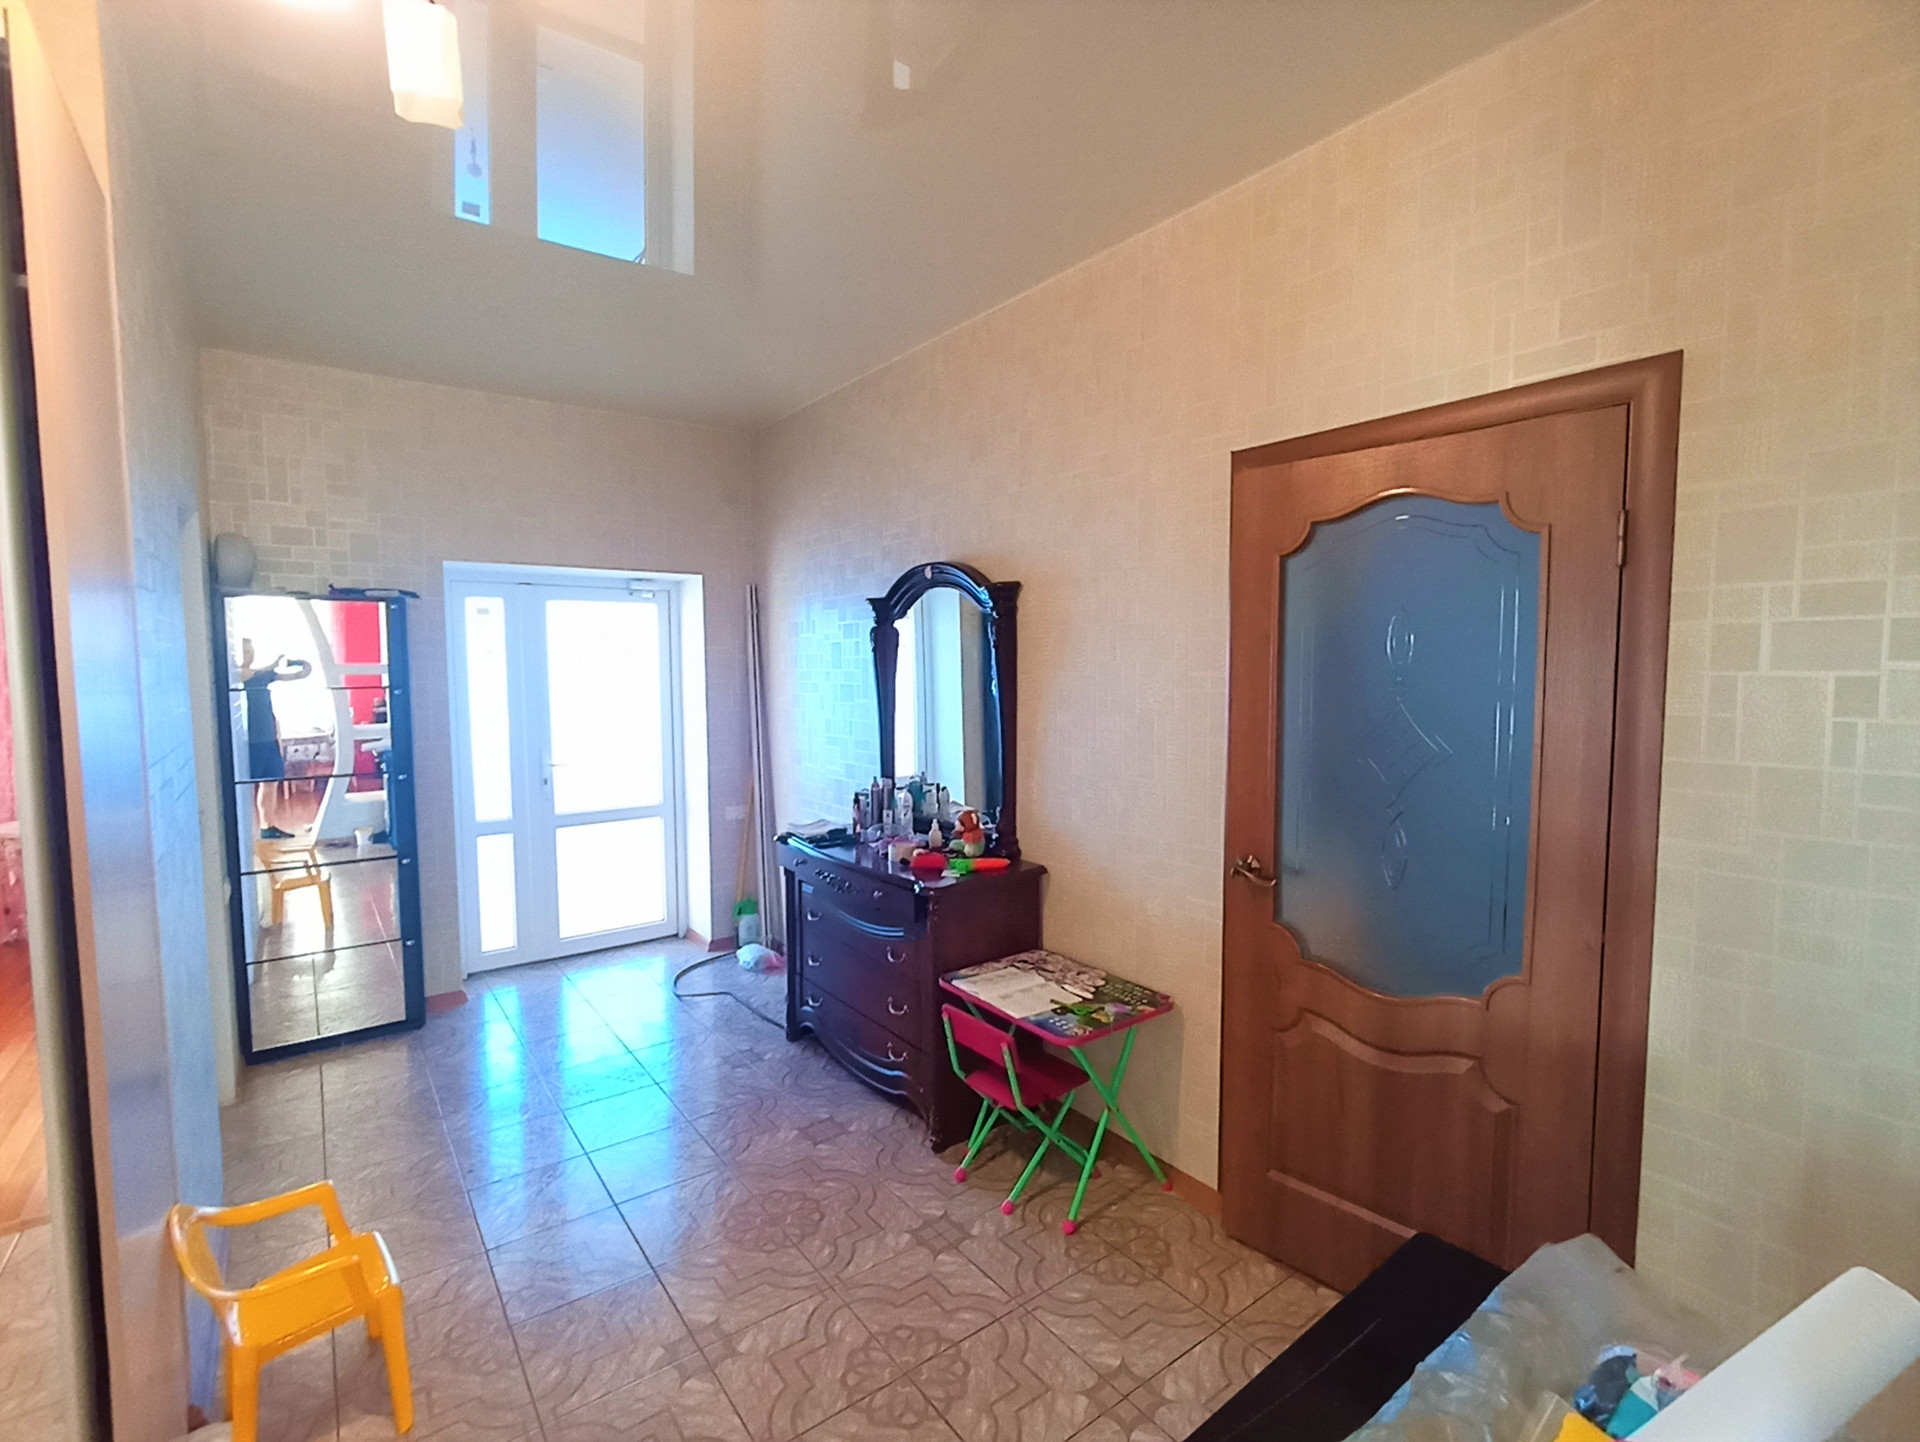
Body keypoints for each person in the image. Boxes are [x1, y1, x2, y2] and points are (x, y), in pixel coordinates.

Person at [238, 638, 312, 840]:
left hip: (268, 739)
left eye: (250, 649)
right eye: (245, 650)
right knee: (245, 788)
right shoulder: (237, 675)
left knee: (270, 783)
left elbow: (302, 674)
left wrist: (300, 663)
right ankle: (245, 832)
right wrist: (272, 664)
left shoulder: (262, 676)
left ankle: (268, 827)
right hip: (249, 742)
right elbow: (244, 673)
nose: (249, 653)